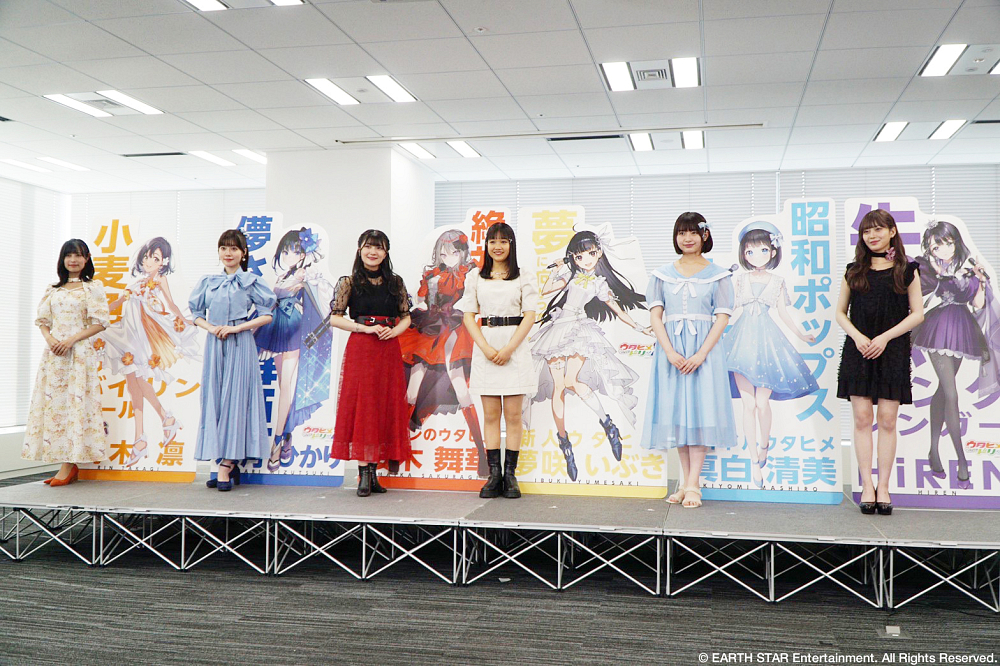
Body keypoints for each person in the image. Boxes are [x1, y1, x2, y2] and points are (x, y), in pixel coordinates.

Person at [531, 226, 650, 482]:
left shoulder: (599, 283)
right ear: (573, 257)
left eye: (591, 254)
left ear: (599, 253)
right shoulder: (570, 275)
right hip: (558, 328)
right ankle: (564, 442)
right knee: (558, 386)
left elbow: (618, 310)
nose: (586, 260)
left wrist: (640, 327)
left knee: (572, 381)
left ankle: (607, 423)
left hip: (578, 331)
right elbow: (546, 290)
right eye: (579, 256)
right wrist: (559, 267)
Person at [641, 213, 737, 508]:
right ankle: (686, 483)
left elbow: (722, 318)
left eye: (694, 232)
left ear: (705, 236)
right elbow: (655, 316)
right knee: (679, 416)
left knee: (700, 414)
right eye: (682, 232)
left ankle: (694, 484)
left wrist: (701, 354)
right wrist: (669, 352)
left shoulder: (719, 275)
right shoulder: (661, 275)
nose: (687, 238)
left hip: (705, 353)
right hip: (671, 353)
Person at [836, 209, 924, 515]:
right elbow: (840, 313)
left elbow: (917, 314)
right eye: (866, 231)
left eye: (878, 230)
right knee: (862, 419)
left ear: (892, 231)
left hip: (892, 350)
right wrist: (858, 337)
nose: (872, 236)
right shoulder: (854, 270)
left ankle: (884, 487)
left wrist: (885, 338)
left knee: (887, 420)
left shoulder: (907, 270)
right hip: (859, 350)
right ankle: (867, 485)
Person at [726, 221, 818, 487]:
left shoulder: (777, 282)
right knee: (748, 404)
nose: (756, 256)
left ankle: (764, 445)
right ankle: (754, 461)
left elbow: (783, 313)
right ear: (744, 254)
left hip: (768, 344)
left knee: (762, 403)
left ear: (774, 251)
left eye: (763, 250)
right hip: (741, 344)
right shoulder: (740, 280)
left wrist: (801, 334)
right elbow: (729, 309)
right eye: (750, 251)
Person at [99, 237, 200, 468]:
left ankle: (163, 419)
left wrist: (184, 320)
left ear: (163, 262)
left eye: (155, 258)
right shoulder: (136, 284)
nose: (149, 262)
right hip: (128, 335)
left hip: (143, 337)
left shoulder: (159, 280)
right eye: (147, 257)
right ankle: (143, 436)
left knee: (139, 379)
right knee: (133, 385)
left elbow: (171, 305)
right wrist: (99, 314)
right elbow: (117, 303)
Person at [913, 220, 999, 490]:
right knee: (951, 393)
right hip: (938, 328)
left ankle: (933, 449)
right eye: (935, 245)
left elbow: (978, 304)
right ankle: (961, 460)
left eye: (947, 243)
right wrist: (938, 274)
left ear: (956, 242)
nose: (942, 249)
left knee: (943, 390)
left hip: (962, 329)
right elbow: (919, 292)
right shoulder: (927, 268)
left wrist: (981, 281)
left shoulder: (969, 268)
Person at [189, 229, 276, 491]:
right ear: (219, 252)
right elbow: (196, 313)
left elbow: (267, 314)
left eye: (234, 248)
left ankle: (227, 464)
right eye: (224, 248)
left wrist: (237, 328)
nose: (228, 253)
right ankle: (222, 460)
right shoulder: (208, 281)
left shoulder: (251, 281)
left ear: (244, 253)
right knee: (215, 399)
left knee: (237, 401)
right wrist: (212, 328)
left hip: (240, 343)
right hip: (215, 344)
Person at [328, 229, 412, 497]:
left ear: (386, 253)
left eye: (379, 248)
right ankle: (364, 473)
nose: (373, 252)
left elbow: (406, 318)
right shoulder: (349, 282)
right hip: (362, 348)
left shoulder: (395, 283)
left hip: (388, 349)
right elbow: (335, 318)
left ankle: (374, 472)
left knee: (383, 405)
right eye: (368, 247)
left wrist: (393, 332)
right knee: (363, 406)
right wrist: (364, 329)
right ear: (359, 249)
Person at [399, 229, 488, 477]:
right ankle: (399, 448)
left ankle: (482, 454)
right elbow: (422, 301)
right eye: (443, 253)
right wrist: (420, 304)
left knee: (460, 386)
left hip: (456, 327)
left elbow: (476, 301)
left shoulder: (471, 273)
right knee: (412, 387)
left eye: (453, 252)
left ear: (462, 252)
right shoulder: (432, 275)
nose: (448, 257)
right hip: (430, 327)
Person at [23, 239, 110, 486]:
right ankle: (65, 463)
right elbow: (43, 321)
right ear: (62, 259)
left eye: (78, 255)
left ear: (87, 258)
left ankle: (69, 465)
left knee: (76, 406)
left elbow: (100, 322)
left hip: (79, 354)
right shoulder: (53, 289)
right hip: (55, 355)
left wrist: (71, 340)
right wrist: (51, 339)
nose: (73, 260)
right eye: (68, 255)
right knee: (55, 408)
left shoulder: (93, 287)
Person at [460, 222, 536, 499]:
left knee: (514, 416)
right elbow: (469, 315)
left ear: (512, 245)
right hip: (486, 347)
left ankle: (510, 476)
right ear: (486, 245)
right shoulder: (475, 277)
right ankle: (494, 476)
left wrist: (509, 349)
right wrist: (485, 347)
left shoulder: (524, 276)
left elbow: (530, 315)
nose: (498, 246)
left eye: (504, 241)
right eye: (493, 241)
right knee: (491, 416)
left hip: (515, 349)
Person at [253, 227, 334, 473]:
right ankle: (286, 432)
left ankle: (277, 441)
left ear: (304, 254)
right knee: (283, 385)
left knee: (286, 386)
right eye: (286, 251)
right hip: (276, 327)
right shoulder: (283, 275)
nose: (290, 256)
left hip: (294, 328)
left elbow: (323, 297)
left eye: (296, 251)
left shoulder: (305, 274)